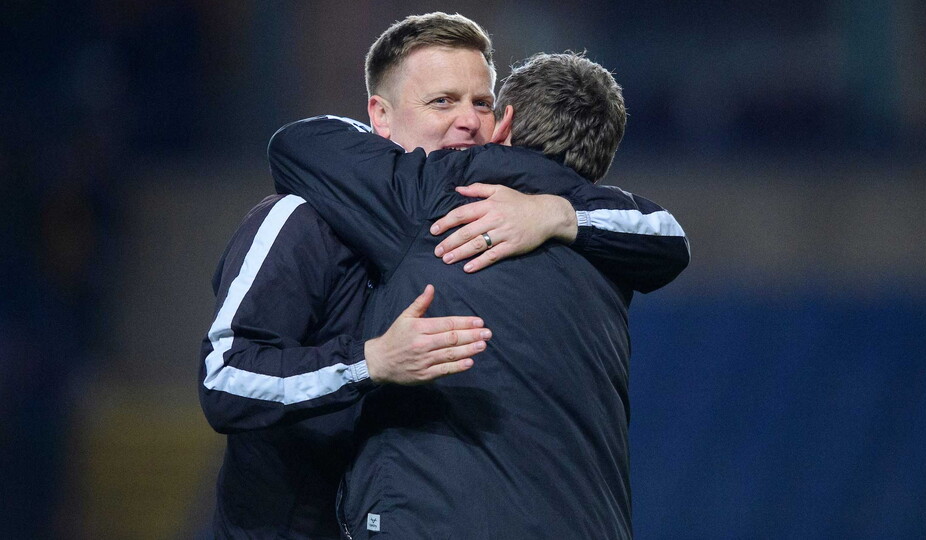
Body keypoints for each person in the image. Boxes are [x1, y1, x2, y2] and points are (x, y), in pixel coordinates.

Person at [200, 13, 686, 539]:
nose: (468, 121)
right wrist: (369, 363)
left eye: (482, 103)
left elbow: (666, 236)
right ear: (379, 118)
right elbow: (225, 377)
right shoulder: (303, 218)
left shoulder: (521, 212)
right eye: (442, 101)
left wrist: (555, 214)